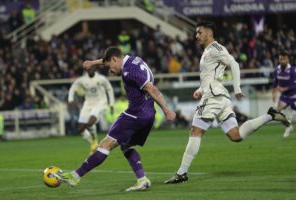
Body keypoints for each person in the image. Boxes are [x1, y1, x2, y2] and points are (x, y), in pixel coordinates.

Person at [164, 21, 290, 184]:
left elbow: (234, 64)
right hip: (219, 97)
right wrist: (200, 89)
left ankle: (181, 173)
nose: (196, 36)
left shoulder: (217, 49)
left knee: (196, 131)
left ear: (209, 33)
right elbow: (212, 76)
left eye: (199, 32)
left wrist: (237, 88)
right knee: (235, 135)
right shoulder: (207, 51)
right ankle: (270, 116)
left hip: (213, 97)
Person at [54, 47, 176, 191]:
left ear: (114, 59)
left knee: (105, 144)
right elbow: (110, 58)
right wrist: (93, 63)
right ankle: (142, 180)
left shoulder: (129, 71)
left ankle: (75, 176)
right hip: (148, 114)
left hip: (135, 114)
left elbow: (151, 88)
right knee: (126, 146)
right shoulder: (134, 59)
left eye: (109, 67)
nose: (110, 71)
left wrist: (167, 110)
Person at [68, 66, 115, 154]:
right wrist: (70, 99)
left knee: (90, 122)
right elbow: (72, 88)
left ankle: (94, 141)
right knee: (81, 129)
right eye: (88, 69)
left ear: (95, 69)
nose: (90, 70)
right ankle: (94, 143)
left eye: (91, 68)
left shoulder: (101, 79)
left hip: (100, 103)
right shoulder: (82, 80)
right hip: (88, 103)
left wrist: (111, 103)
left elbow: (109, 89)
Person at [272, 50, 296, 138]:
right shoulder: (277, 70)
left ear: (288, 60)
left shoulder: (293, 70)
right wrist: (273, 94)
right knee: (277, 113)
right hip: (285, 96)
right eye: (281, 59)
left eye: (284, 59)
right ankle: (288, 126)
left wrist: (284, 88)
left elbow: (294, 85)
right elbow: (275, 83)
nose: (282, 61)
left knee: (293, 109)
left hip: (294, 95)